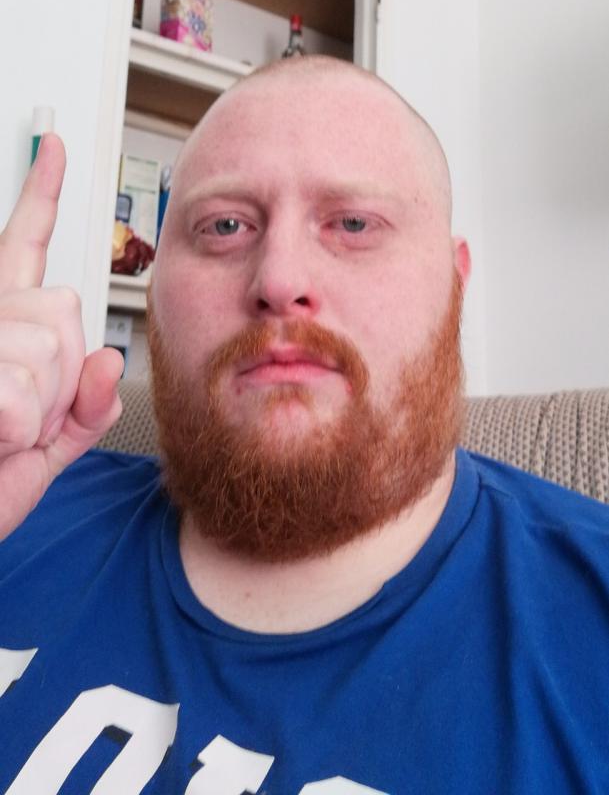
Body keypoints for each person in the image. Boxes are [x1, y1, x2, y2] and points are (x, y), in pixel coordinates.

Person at [0, 54, 608, 795]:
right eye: (225, 225)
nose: (280, 279)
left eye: (353, 223)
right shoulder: (23, 502)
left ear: (454, 284)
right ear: (154, 292)